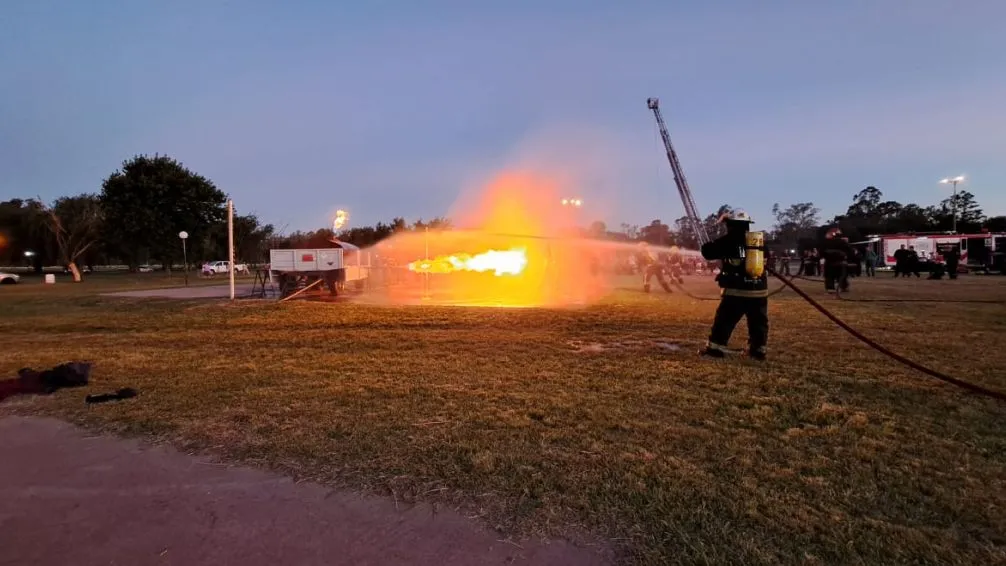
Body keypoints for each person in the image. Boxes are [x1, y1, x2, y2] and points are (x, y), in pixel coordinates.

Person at [699, 211, 769, 361]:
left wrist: (712, 232)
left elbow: (707, 252)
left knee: (724, 320)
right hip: (759, 291)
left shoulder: (728, 240)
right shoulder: (758, 241)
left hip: (736, 291)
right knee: (758, 322)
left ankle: (715, 349)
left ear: (730, 224)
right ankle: (758, 351)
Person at [821, 227, 852, 292]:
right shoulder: (842, 242)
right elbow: (849, 251)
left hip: (830, 262)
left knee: (830, 276)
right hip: (840, 262)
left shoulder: (825, 242)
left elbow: (821, 252)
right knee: (842, 275)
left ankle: (830, 288)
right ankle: (844, 287)